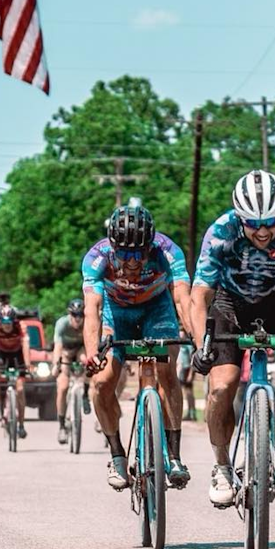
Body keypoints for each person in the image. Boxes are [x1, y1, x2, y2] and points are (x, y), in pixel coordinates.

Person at [189, 170, 275, 507]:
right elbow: (199, 297)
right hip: (230, 303)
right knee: (222, 385)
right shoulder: (220, 233)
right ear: (240, 217)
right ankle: (222, 466)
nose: (264, 231)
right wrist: (200, 346)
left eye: (271, 221)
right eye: (254, 223)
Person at [82, 203, 192, 491]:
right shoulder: (96, 258)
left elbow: (182, 296)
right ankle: (117, 455)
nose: (132, 262)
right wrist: (93, 351)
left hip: (157, 310)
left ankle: (175, 454)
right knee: (102, 384)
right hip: (116, 315)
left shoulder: (168, 251)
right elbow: (91, 309)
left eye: (139, 253)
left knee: (167, 372)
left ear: (150, 245)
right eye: (125, 254)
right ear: (112, 246)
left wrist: (195, 334)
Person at [0, 304, 31, 440]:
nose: (7, 325)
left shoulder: (21, 326)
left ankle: (22, 425)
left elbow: (25, 344)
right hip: (1, 354)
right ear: (0, 321)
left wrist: (28, 364)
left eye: (9, 322)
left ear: (14, 321)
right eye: (4, 322)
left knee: (20, 389)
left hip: (17, 354)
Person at [52, 298, 89, 443]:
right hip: (65, 352)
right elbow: (58, 346)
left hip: (80, 350)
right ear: (69, 314)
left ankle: (85, 393)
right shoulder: (62, 324)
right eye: (74, 315)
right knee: (62, 387)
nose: (78, 319)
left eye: (80, 315)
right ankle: (62, 426)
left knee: (87, 360)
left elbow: (91, 344)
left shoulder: (87, 324)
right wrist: (56, 364)